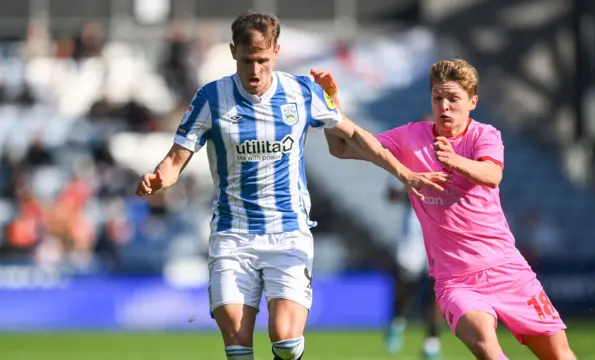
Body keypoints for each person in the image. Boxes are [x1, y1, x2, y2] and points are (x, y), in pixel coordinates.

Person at [135, 11, 447, 360]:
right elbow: (176, 160)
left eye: (263, 60)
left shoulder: (300, 92)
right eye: (248, 60)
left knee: (284, 340)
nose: (255, 70)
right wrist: (160, 176)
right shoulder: (211, 98)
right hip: (232, 235)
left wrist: (404, 172)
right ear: (232, 51)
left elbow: (354, 137)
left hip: (288, 233)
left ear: (277, 52)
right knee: (238, 347)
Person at [314, 59, 576, 360]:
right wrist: (330, 104)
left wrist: (455, 161)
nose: (445, 106)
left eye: (453, 98)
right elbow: (342, 148)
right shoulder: (411, 136)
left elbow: (492, 175)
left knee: (560, 355)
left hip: (508, 270)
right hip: (457, 281)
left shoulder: (484, 136)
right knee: (483, 342)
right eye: (438, 98)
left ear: (472, 102)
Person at [385, 173, 442, 359]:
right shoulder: (407, 154)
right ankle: (397, 321)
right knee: (407, 282)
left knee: (439, 286)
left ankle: (431, 341)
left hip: (444, 227)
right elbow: (391, 194)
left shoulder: (450, 154)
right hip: (415, 228)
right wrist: (410, 188)